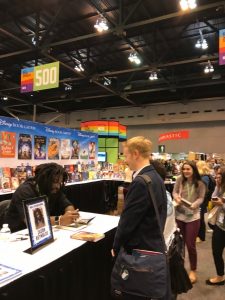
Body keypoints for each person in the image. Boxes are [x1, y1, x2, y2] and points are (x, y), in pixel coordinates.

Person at [111, 136, 170, 300]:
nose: (125, 160)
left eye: (126, 155)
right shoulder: (155, 177)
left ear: (135, 154)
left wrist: (115, 245)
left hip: (141, 248)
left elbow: (127, 221)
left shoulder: (140, 182)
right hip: (153, 241)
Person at [4, 162, 80, 233]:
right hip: (19, 232)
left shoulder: (53, 190)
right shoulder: (25, 191)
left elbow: (67, 205)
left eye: (60, 182)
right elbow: (33, 221)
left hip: (42, 231)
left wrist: (70, 215)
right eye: (55, 181)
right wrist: (59, 220)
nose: (58, 186)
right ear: (44, 179)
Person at [172, 160, 206, 284]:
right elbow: (174, 192)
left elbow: (201, 197)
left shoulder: (200, 183)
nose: (185, 171)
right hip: (179, 215)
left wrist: (195, 204)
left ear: (193, 170)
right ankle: (179, 267)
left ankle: (193, 269)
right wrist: (176, 197)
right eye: (184, 169)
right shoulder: (179, 179)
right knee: (178, 244)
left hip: (193, 216)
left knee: (190, 245)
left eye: (188, 169)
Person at [206, 167, 225, 285]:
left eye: (219, 176)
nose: (217, 178)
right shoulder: (221, 187)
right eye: (216, 176)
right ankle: (220, 276)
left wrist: (222, 205)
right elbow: (213, 198)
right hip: (220, 224)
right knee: (216, 251)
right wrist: (217, 186)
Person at [196, 160, 215, 242]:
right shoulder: (205, 176)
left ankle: (200, 236)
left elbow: (203, 190)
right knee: (200, 217)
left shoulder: (204, 177)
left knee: (199, 218)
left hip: (202, 200)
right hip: (203, 200)